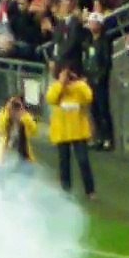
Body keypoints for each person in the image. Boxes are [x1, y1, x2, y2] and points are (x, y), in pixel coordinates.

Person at [45, 67, 95, 199]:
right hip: (62, 131)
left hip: (78, 130)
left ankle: (90, 190)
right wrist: (61, 84)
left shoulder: (80, 86)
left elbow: (88, 97)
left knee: (83, 160)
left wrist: (76, 82)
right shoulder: (55, 86)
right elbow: (51, 99)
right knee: (64, 161)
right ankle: (66, 189)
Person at [82, 12, 114, 151]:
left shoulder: (105, 41)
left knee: (103, 109)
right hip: (90, 78)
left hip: (100, 80)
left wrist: (100, 76)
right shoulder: (88, 40)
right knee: (94, 109)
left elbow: (107, 62)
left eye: (93, 22)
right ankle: (98, 137)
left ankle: (108, 138)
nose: (91, 25)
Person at [0, 96, 36, 168]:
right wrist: (7, 114)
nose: (15, 108)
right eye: (13, 105)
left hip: (22, 157)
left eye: (18, 106)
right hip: (4, 156)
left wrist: (22, 116)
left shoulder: (25, 117)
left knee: (27, 171)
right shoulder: (2, 115)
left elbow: (33, 131)